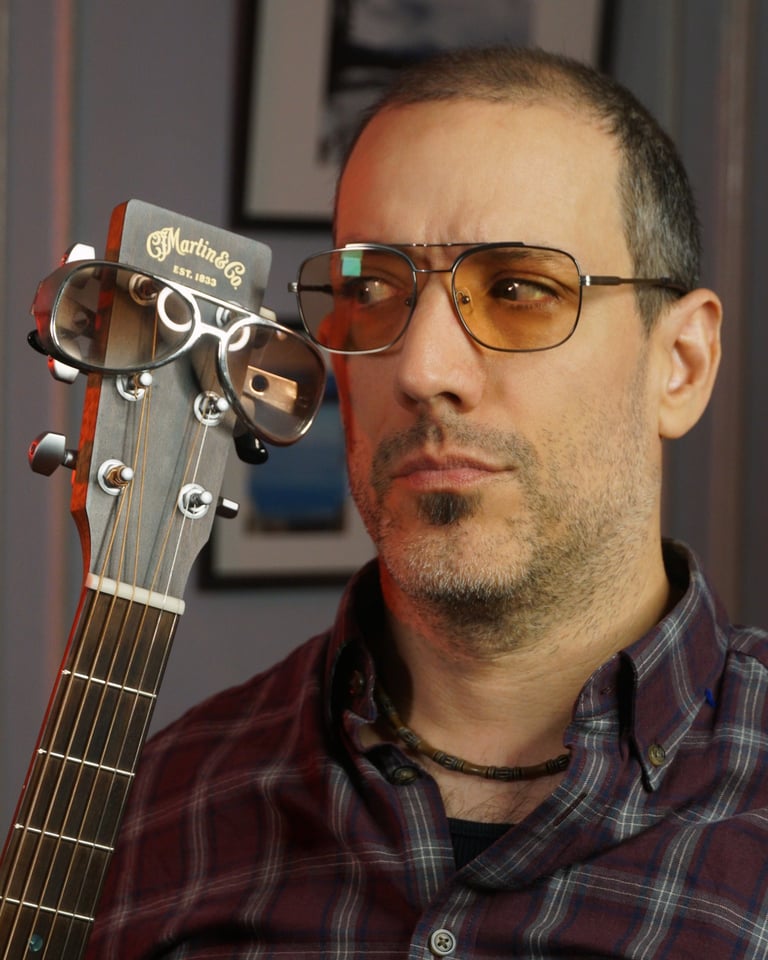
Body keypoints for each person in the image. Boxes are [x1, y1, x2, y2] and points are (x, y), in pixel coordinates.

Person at [85, 46, 768, 958]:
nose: (421, 370)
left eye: (520, 290)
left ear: (678, 366)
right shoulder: (162, 803)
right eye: (372, 291)